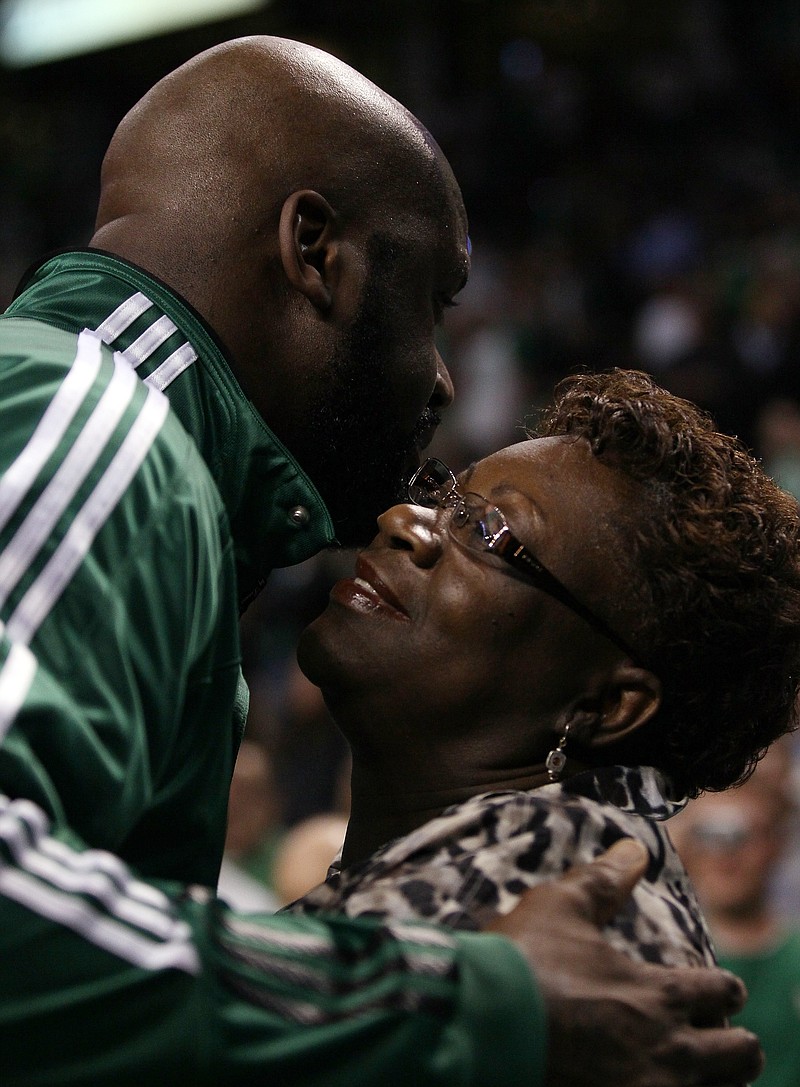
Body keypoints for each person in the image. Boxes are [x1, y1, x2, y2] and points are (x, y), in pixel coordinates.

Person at [0, 35, 761, 1086]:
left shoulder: (127, 459)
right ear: (315, 250)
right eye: (433, 301)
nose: (443, 380)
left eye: (487, 536)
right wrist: (464, 998)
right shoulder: (96, 432)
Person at [290, 369, 800, 967]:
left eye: (486, 532)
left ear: (609, 705)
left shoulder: (565, 949)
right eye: (441, 497)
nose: (405, 521)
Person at [672, 738, 800, 1087]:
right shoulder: (663, 965)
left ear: (774, 844)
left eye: (740, 835)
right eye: (708, 834)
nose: (725, 857)